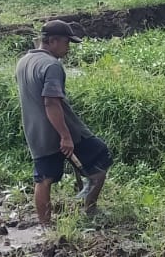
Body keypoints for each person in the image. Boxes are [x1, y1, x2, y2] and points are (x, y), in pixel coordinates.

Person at [15, 20, 111, 226]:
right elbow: (51, 102)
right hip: (63, 130)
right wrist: (65, 136)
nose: (68, 48)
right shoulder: (52, 65)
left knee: (43, 179)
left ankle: (46, 225)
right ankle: (89, 209)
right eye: (67, 42)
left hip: (36, 133)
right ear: (53, 41)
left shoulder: (23, 62)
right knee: (100, 159)